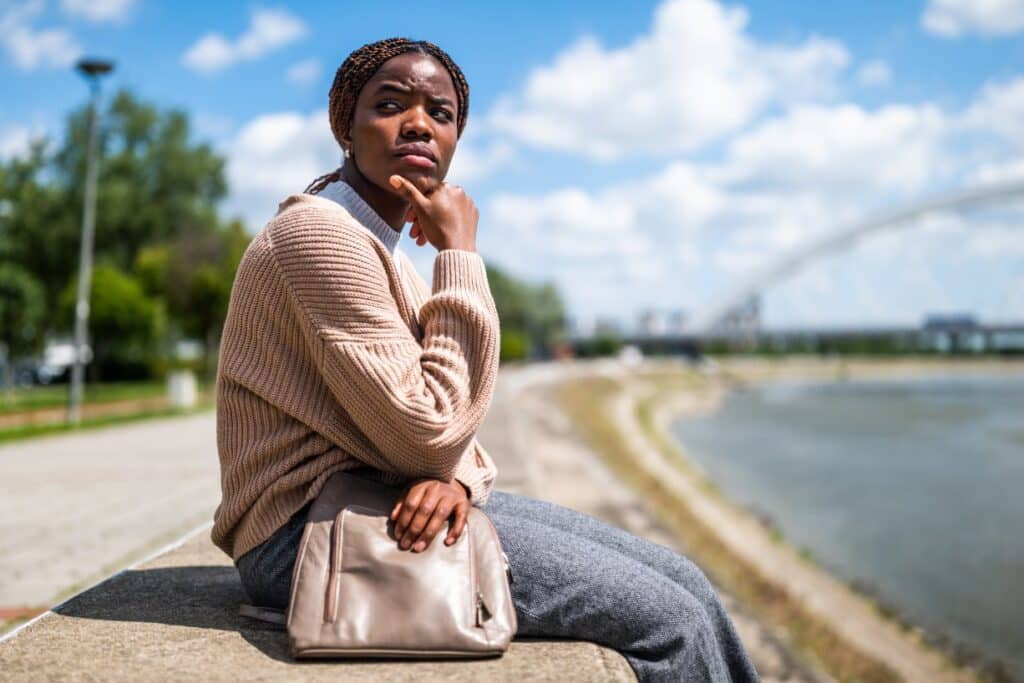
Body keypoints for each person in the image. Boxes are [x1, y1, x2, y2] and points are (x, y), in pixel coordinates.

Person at [212, 36, 759, 683]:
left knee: (684, 577)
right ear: (344, 124)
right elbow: (432, 428)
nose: (418, 123)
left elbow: (451, 440)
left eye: (440, 114)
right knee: (670, 620)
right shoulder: (319, 236)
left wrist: (454, 481)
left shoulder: (379, 252)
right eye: (390, 104)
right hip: (301, 534)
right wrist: (461, 252)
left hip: (372, 498)